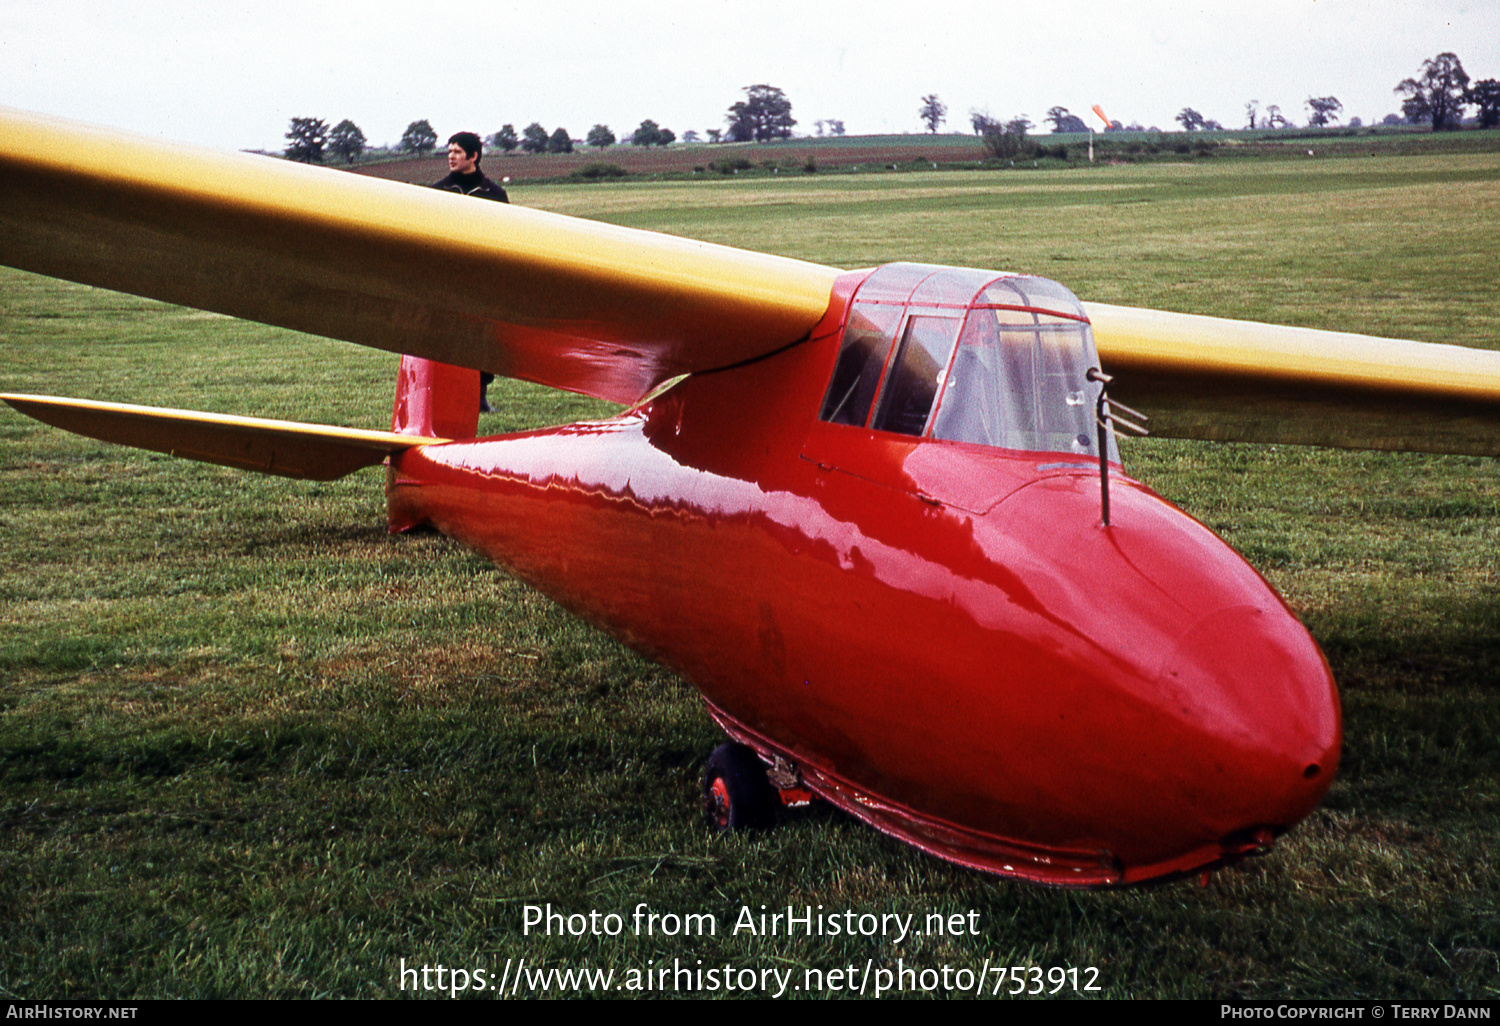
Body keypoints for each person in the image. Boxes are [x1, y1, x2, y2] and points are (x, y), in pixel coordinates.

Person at [430, 132, 507, 410]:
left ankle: (480, 398)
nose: (451, 156)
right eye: (449, 151)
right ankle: (445, 397)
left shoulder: (495, 195)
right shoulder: (437, 192)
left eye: (458, 152)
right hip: (448, 277)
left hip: (482, 278)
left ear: (473, 156)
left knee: (483, 338)